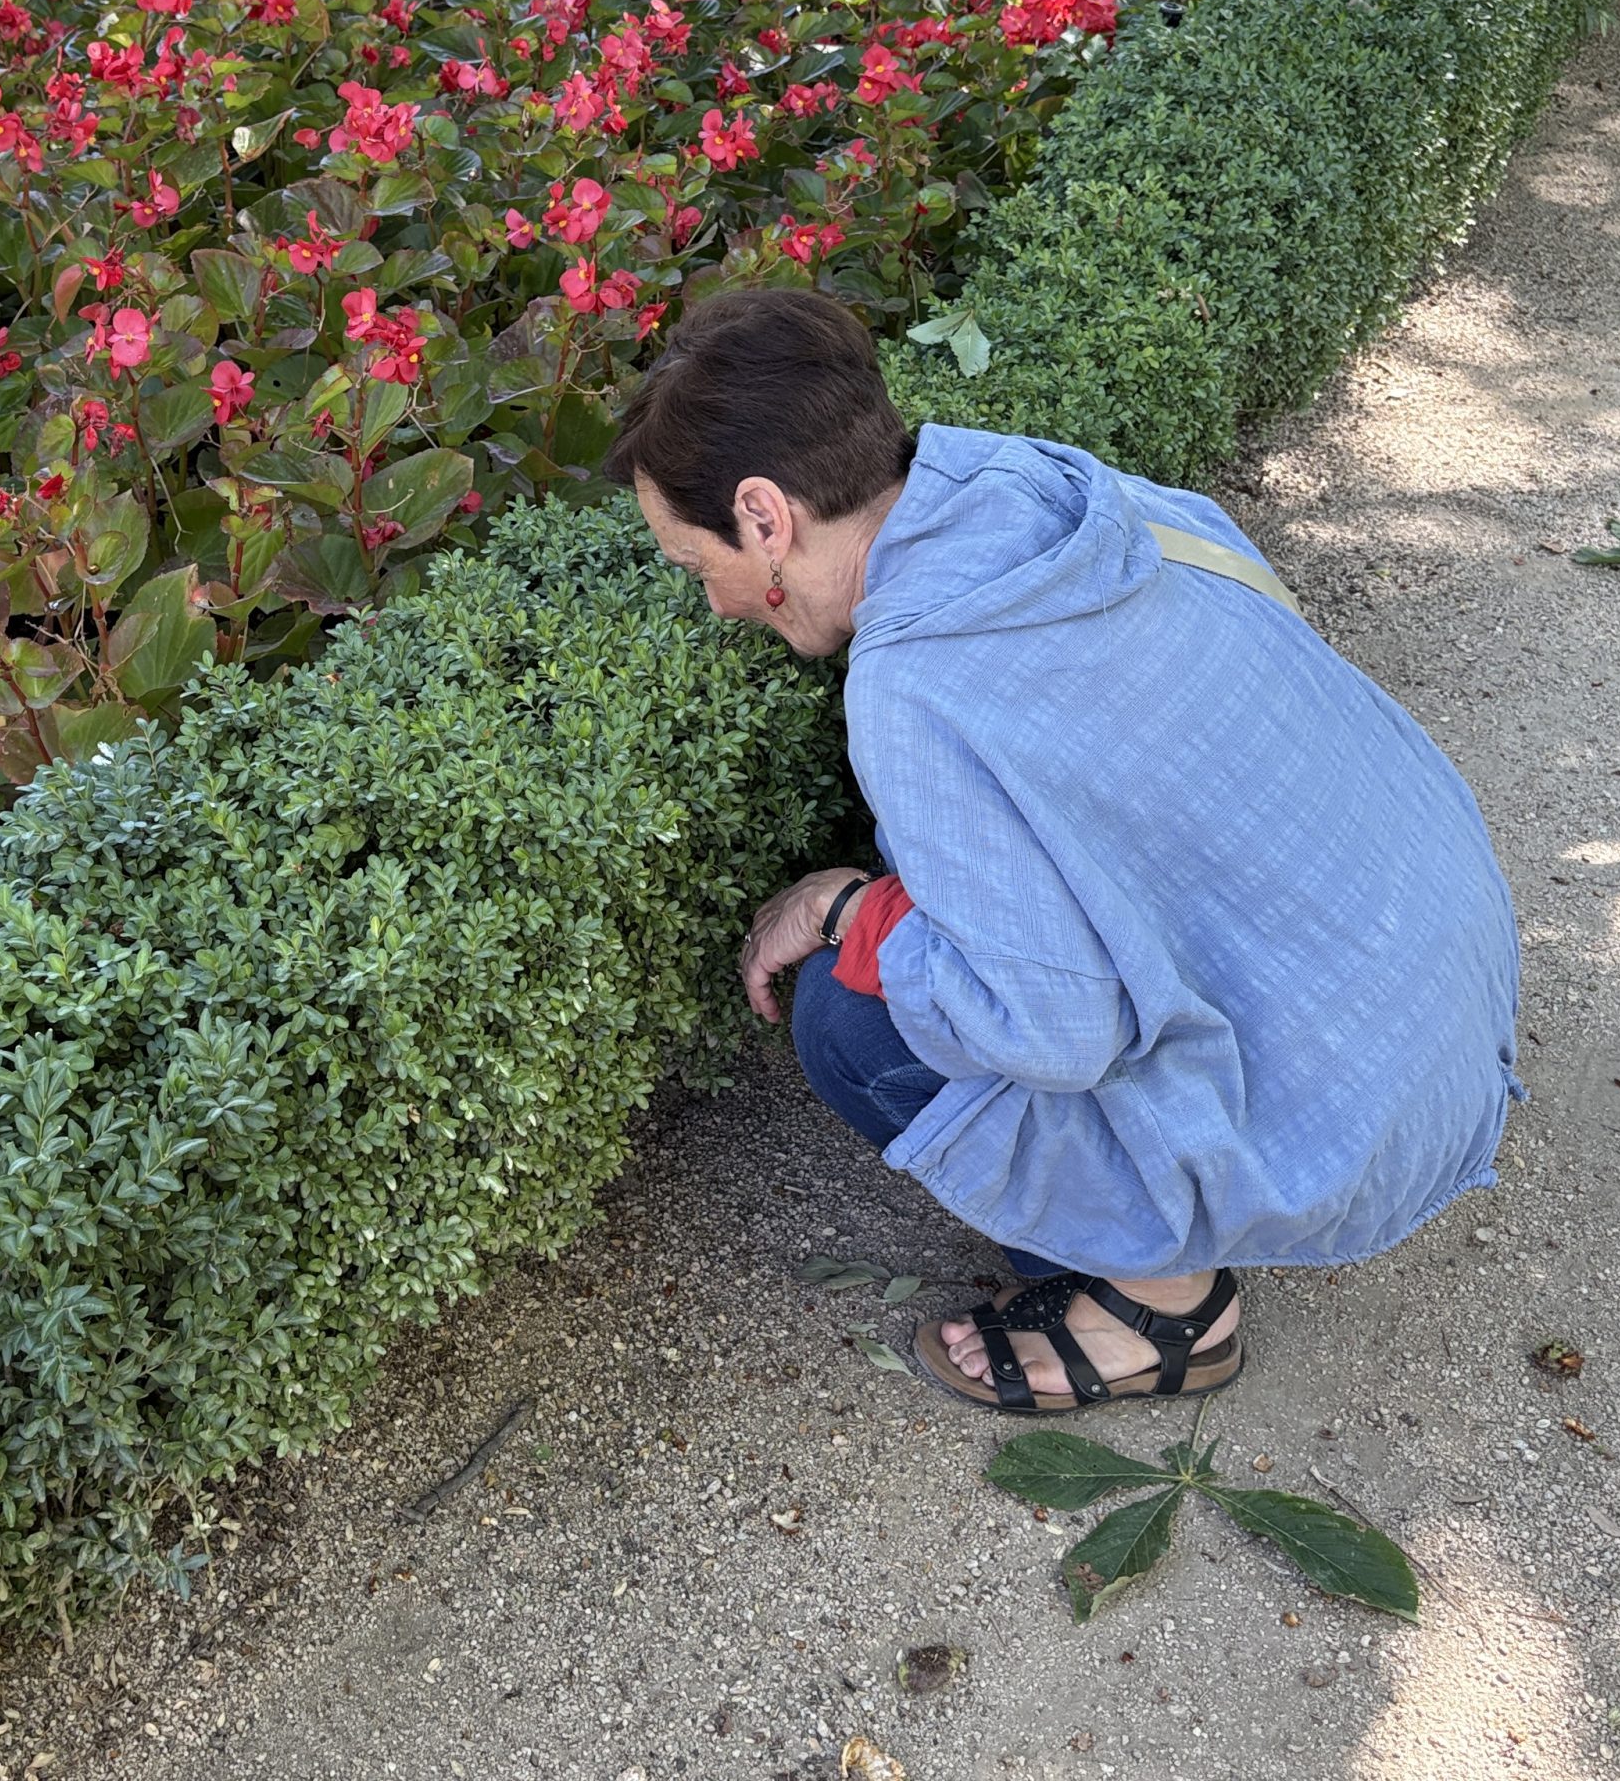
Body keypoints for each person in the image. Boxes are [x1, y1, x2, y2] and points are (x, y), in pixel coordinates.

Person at [606, 286, 1520, 1411]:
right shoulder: (1047, 490)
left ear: (762, 514)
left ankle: (1168, 1309)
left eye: (697, 567)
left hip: (1362, 1124)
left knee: (848, 1022)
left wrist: (852, 913)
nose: (715, 605)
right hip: (1450, 992)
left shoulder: (913, 683)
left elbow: (1053, 1030)